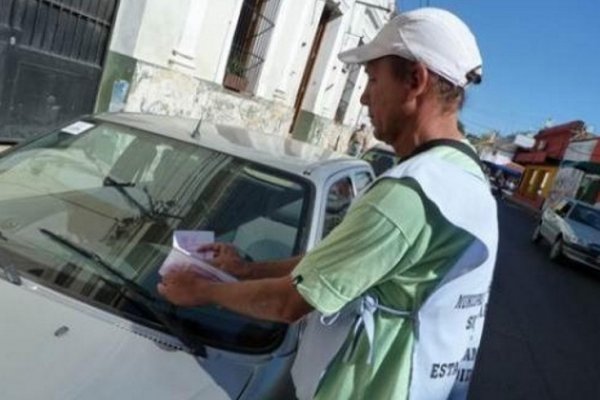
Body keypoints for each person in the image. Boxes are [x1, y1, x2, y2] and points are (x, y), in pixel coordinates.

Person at [158, 7, 498, 400]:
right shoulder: (461, 175)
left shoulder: (410, 196)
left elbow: (288, 303)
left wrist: (201, 292)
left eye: (373, 80)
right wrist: (246, 270)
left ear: (416, 80)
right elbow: (331, 266)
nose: (366, 97)